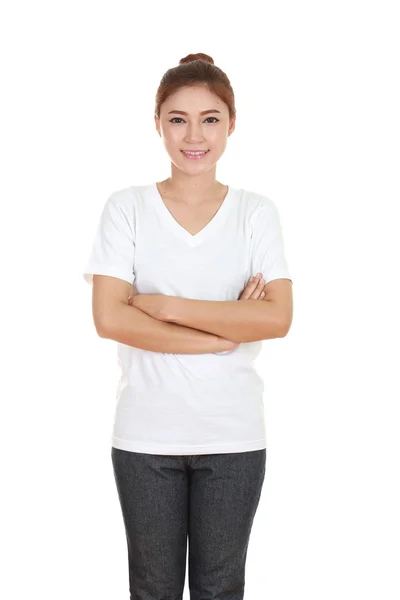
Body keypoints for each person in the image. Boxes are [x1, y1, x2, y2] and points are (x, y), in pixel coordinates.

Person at [83, 52, 293, 600]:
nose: (193, 135)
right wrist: (227, 332)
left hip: (233, 436)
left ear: (231, 124)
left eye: (210, 119)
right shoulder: (126, 208)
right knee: (152, 588)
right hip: (145, 437)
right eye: (177, 118)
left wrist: (166, 306)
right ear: (157, 124)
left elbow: (277, 317)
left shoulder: (255, 213)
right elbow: (109, 318)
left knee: (220, 589)